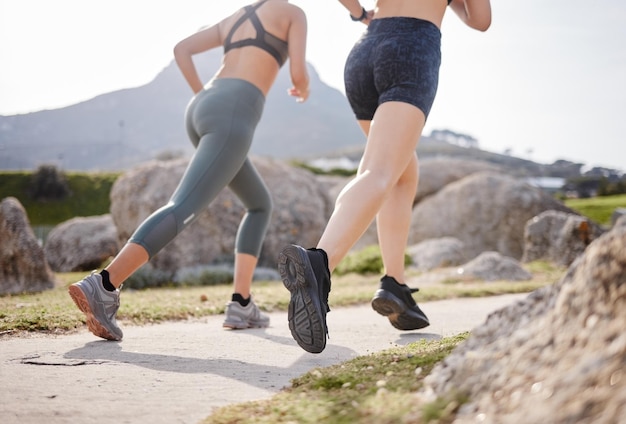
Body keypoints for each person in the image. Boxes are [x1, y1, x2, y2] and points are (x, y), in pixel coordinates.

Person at [69, 0, 309, 341]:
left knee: (259, 204)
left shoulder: (236, 16)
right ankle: (104, 284)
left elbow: (182, 49)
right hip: (235, 110)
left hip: (203, 105)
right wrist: (304, 86)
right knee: (183, 207)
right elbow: (298, 74)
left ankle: (241, 303)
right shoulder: (293, 14)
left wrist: (206, 96)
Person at [277, 0, 492, 353]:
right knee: (380, 171)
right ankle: (319, 263)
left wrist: (360, 13)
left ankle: (395, 284)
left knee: (402, 173)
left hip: (365, 49)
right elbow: (480, 21)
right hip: (411, 47)